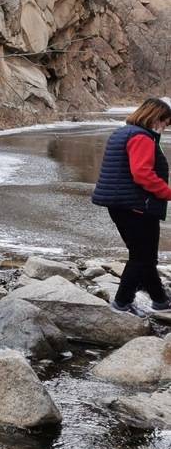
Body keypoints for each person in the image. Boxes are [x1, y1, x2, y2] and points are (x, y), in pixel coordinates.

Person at [90, 97, 171, 316]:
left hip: (121, 204)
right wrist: (167, 193)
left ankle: (160, 300)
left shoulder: (123, 132)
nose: (164, 127)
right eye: (164, 122)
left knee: (143, 255)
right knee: (141, 258)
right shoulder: (142, 138)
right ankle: (121, 304)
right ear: (155, 117)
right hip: (136, 206)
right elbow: (142, 173)